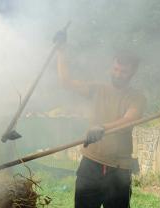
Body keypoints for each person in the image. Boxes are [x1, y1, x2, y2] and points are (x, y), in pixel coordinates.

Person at [56, 46, 146, 208]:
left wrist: (102, 127)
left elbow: (129, 119)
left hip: (118, 170)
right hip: (90, 165)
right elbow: (66, 82)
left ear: (132, 73)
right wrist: (61, 52)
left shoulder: (136, 97)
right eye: (116, 69)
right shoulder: (98, 89)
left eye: (123, 72)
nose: (118, 74)